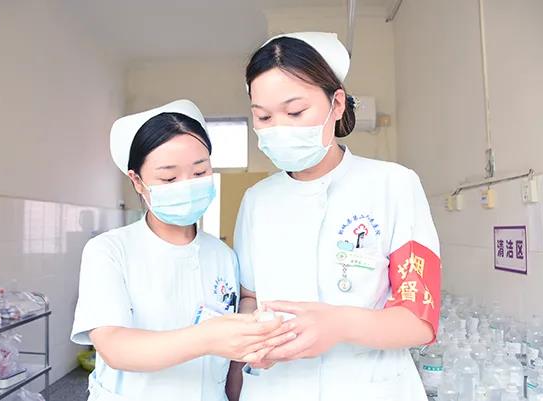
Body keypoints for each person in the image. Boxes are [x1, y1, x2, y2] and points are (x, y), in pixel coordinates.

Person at [231, 32, 441, 401]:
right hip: (277, 388)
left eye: (295, 112)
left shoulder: (393, 184)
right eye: (263, 116)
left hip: (371, 389)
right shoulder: (256, 201)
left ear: (337, 104)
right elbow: (250, 296)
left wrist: (339, 324)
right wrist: (253, 337)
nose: (278, 128)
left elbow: (419, 319)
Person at [70, 99, 295, 401]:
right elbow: (114, 347)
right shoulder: (109, 251)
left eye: (200, 172)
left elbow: (232, 361)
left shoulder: (222, 256)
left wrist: (252, 333)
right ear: (137, 181)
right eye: (169, 178)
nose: (187, 185)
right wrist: (207, 338)